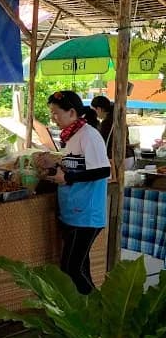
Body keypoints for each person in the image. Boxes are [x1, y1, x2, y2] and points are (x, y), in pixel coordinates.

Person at [46, 91, 110, 294]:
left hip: (86, 215)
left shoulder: (89, 135)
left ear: (72, 112)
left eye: (56, 113)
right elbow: (76, 167)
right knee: (80, 268)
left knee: (71, 269)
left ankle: (101, 312)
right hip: (73, 212)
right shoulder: (72, 136)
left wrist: (67, 178)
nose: (53, 118)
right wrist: (52, 167)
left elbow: (103, 171)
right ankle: (90, 316)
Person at [90, 95, 135, 170]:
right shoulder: (118, 118)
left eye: (93, 110)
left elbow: (102, 143)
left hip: (118, 159)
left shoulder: (107, 123)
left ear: (99, 109)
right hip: (129, 156)